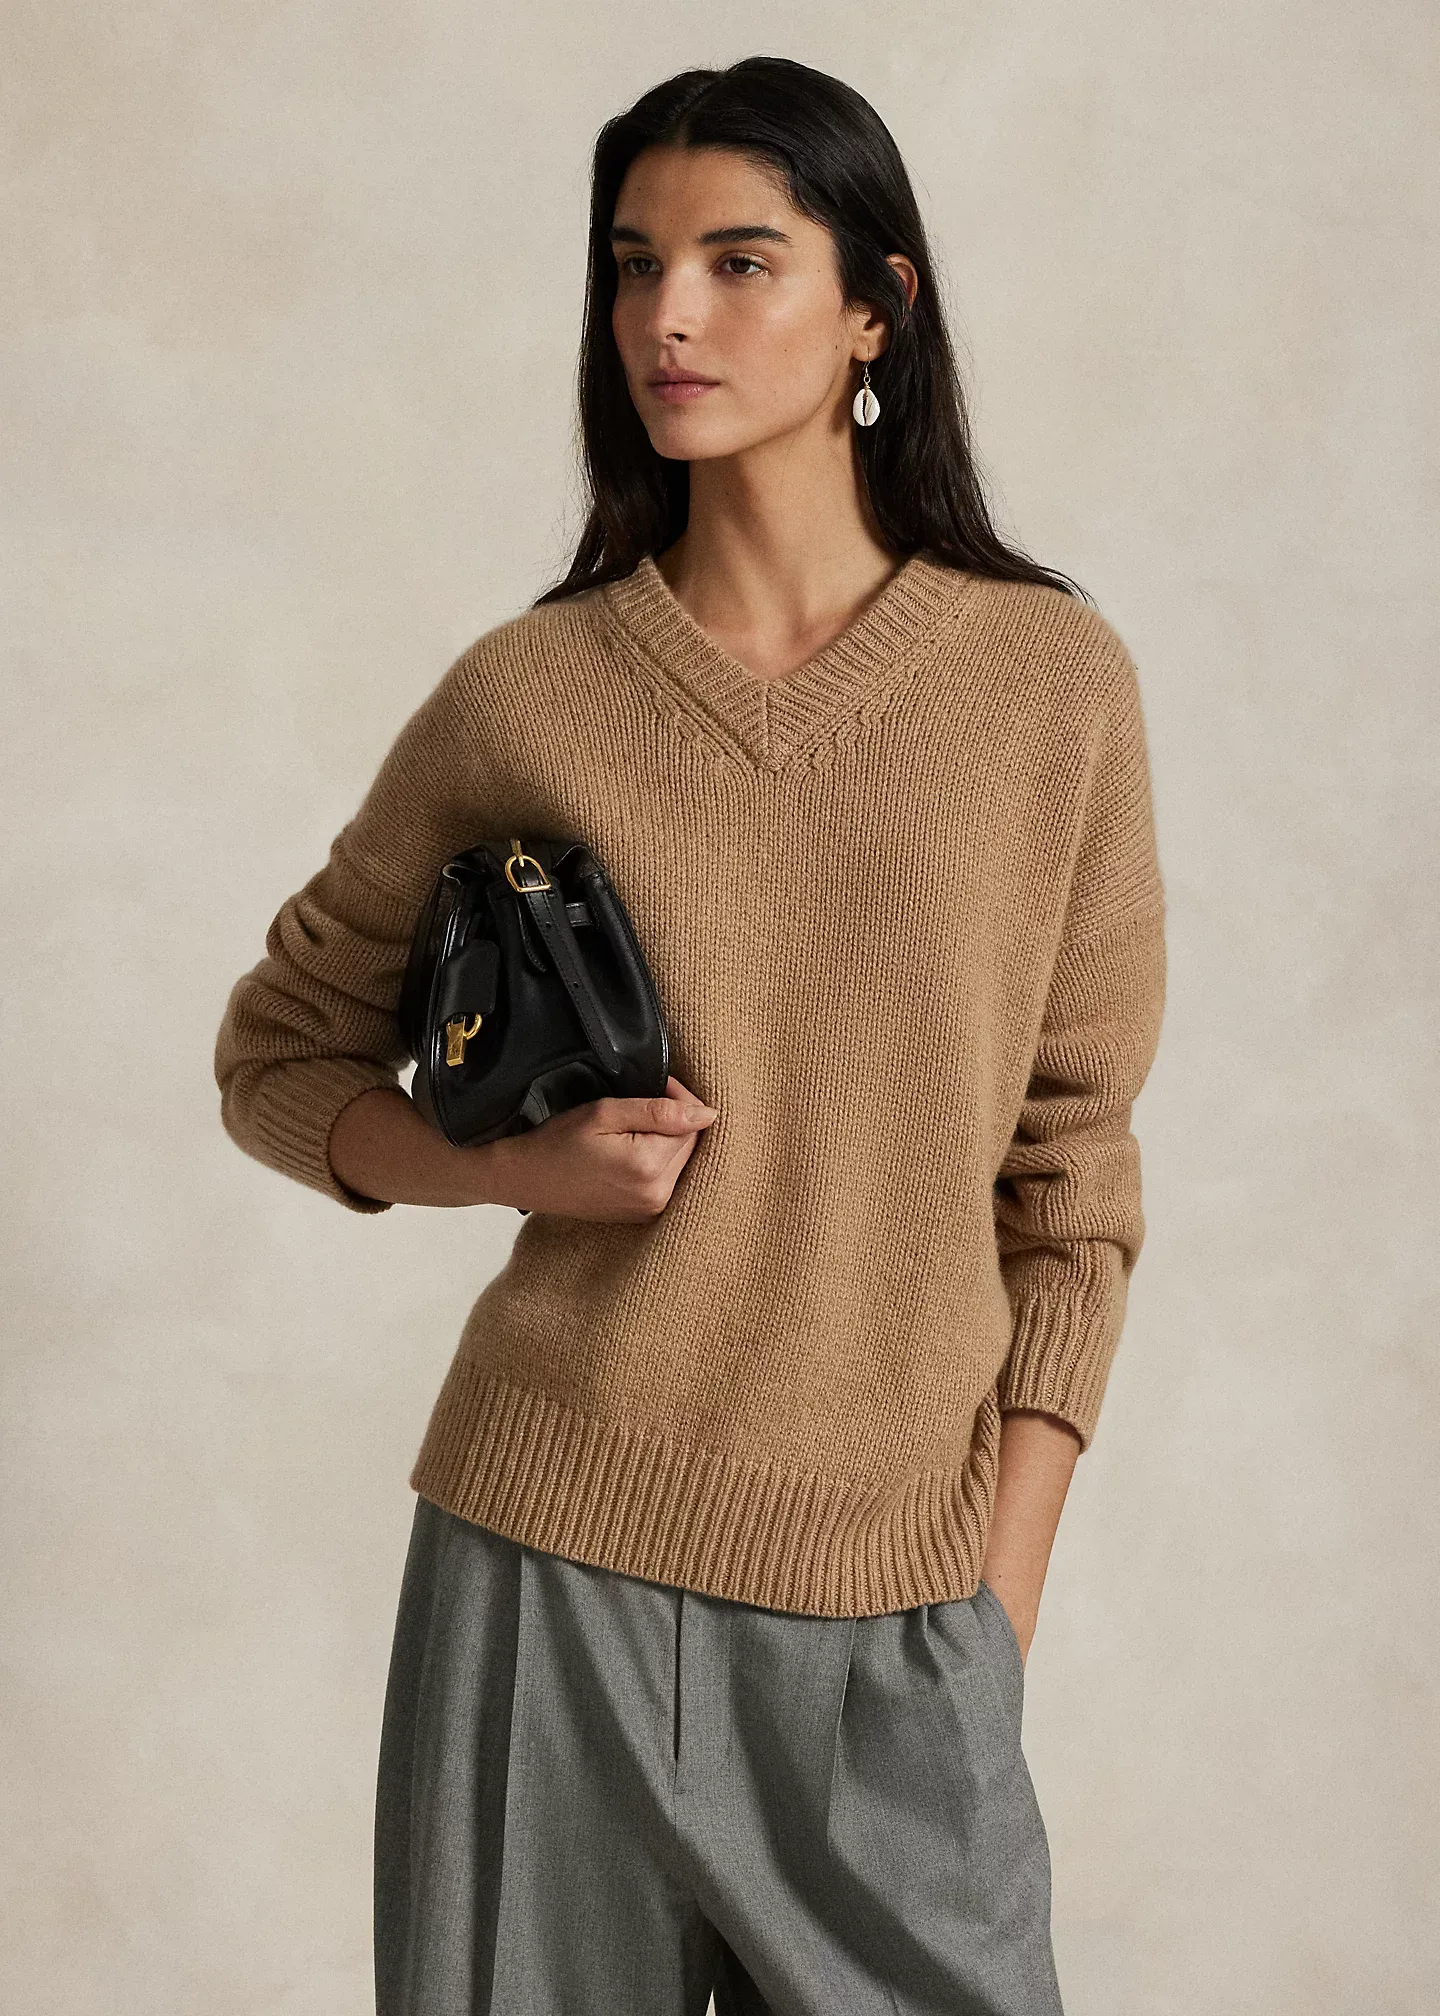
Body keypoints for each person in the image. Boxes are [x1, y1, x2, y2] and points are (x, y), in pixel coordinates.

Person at [214, 54, 1167, 2016]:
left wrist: (988, 1619)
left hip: (899, 1625)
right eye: (635, 264)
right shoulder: (532, 693)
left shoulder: (1048, 685)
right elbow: (279, 1055)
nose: (669, 315)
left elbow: (1071, 1185)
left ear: (876, 308)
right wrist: (499, 1165)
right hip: (544, 1576)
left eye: (741, 262)